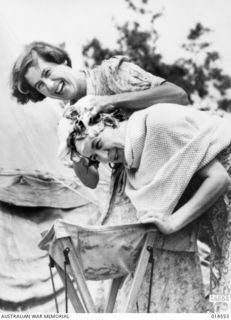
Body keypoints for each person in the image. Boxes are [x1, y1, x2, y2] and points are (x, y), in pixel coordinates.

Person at [58, 102, 231, 312]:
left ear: (108, 122)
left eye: (98, 144)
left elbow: (220, 178)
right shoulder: (133, 164)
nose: (105, 157)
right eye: (95, 157)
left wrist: (173, 222)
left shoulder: (156, 123)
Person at [10, 41, 189, 189]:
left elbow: (178, 96)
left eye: (48, 73)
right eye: (40, 86)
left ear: (62, 61)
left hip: (175, 159)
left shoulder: (112, 73)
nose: (49, 86)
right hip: (137, 184)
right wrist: (74, 157)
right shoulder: (71, 121)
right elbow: (92, 181)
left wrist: (111, 101)